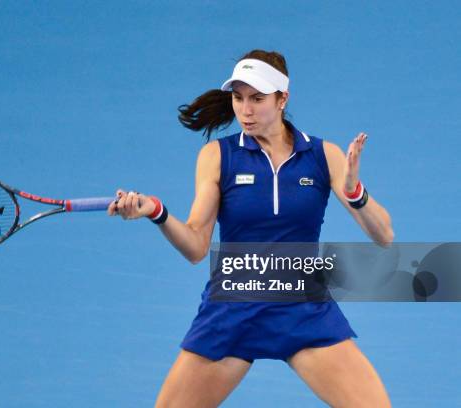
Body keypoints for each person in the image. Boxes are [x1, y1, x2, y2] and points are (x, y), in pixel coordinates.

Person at [107, 49, 394, 407]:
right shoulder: (217, 156)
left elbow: (384, 235)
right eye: (238, 98)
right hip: (233, 309)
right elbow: (197, 246)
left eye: (258, 98)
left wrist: (354, 192)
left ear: (282, 98)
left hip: (302, 309)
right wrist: (156, 212)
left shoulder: (324, 156)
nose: (245, 109)